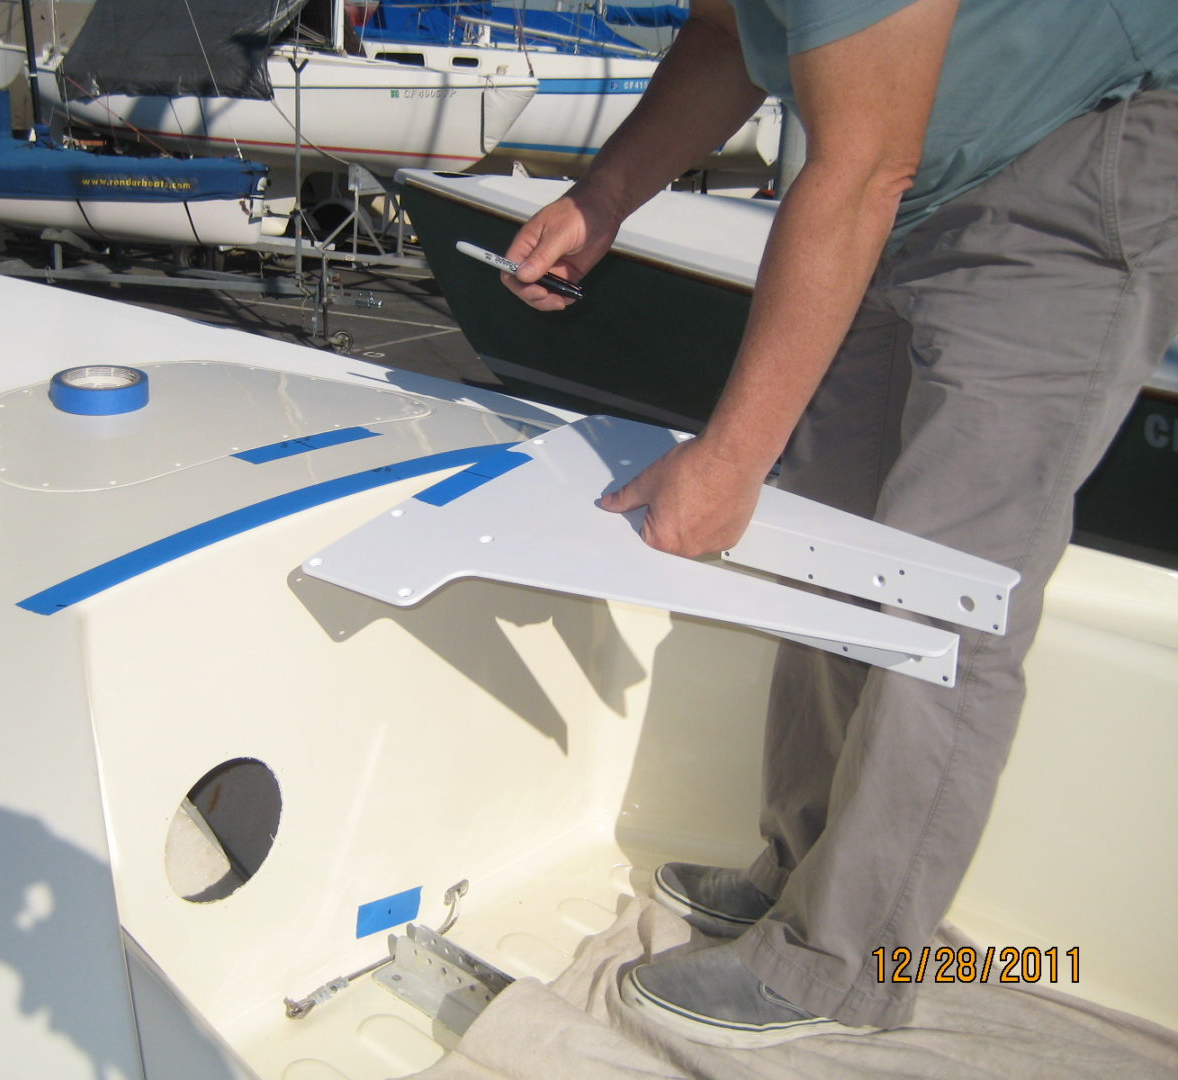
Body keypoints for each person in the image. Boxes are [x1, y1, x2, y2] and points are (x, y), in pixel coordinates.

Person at [501, 0, 1178, 1050]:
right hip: (920, 173)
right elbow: (729, 35)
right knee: (830, 537)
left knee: (946, 577)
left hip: (1086, 152)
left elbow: (861, 169)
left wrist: (729, 457)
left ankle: (847, 955)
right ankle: (803, 870)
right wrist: (606, 195)